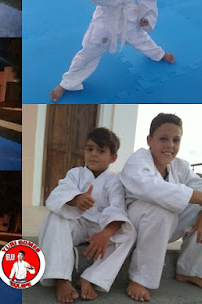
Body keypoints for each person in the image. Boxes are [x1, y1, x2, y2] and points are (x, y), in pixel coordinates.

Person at [120, 113, 202, 302]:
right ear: (149, 140)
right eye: (163, 139)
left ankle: (191, 270)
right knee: (162, 207)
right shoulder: (138, 160)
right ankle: (139, 278)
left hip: (165, 226)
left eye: (176, 140)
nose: (170, 145)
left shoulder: (180, 166)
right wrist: (200, 198)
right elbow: (151, 188)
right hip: (135, 225)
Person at [39, 128, 136, 303]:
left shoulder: (115, 181)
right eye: (89, 149)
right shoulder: (75, 174)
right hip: (76, 223)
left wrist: (106, 233)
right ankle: (61, 278)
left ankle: (90, 278)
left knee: (128, 234)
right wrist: (76, 199)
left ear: (113, 158)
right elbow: (60, 194)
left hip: (100, 228)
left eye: (101, 151)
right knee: (55, 217)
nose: (94, 154)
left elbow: (118, 210)